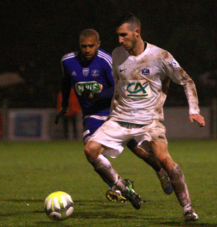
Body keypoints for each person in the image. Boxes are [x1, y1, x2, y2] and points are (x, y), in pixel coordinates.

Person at [85, 13, 205, 221]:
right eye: (118, 36)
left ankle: (188, 209)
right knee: (90, 150)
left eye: (124, 35)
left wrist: (193, 110)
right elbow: (119, 87)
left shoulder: (161, 56)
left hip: (149, 121)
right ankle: (124, 188)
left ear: (137, 32)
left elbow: (186, 81)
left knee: (164, 160)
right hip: (120, 118)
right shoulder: (116, 54)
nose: (120, 40)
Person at [56, 28, 173, 205]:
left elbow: (121, 88)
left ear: (98, 44)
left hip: (117, 112)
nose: (87, 50)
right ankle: (120, 186)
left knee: (139, 150)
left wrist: (99, 95)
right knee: (91, 151)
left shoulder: (107, 61)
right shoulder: (68, 61)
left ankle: (159, 170)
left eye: (91, 46)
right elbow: (66, 82)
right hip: (93, 115)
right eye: (84, 46)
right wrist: (65, 104)